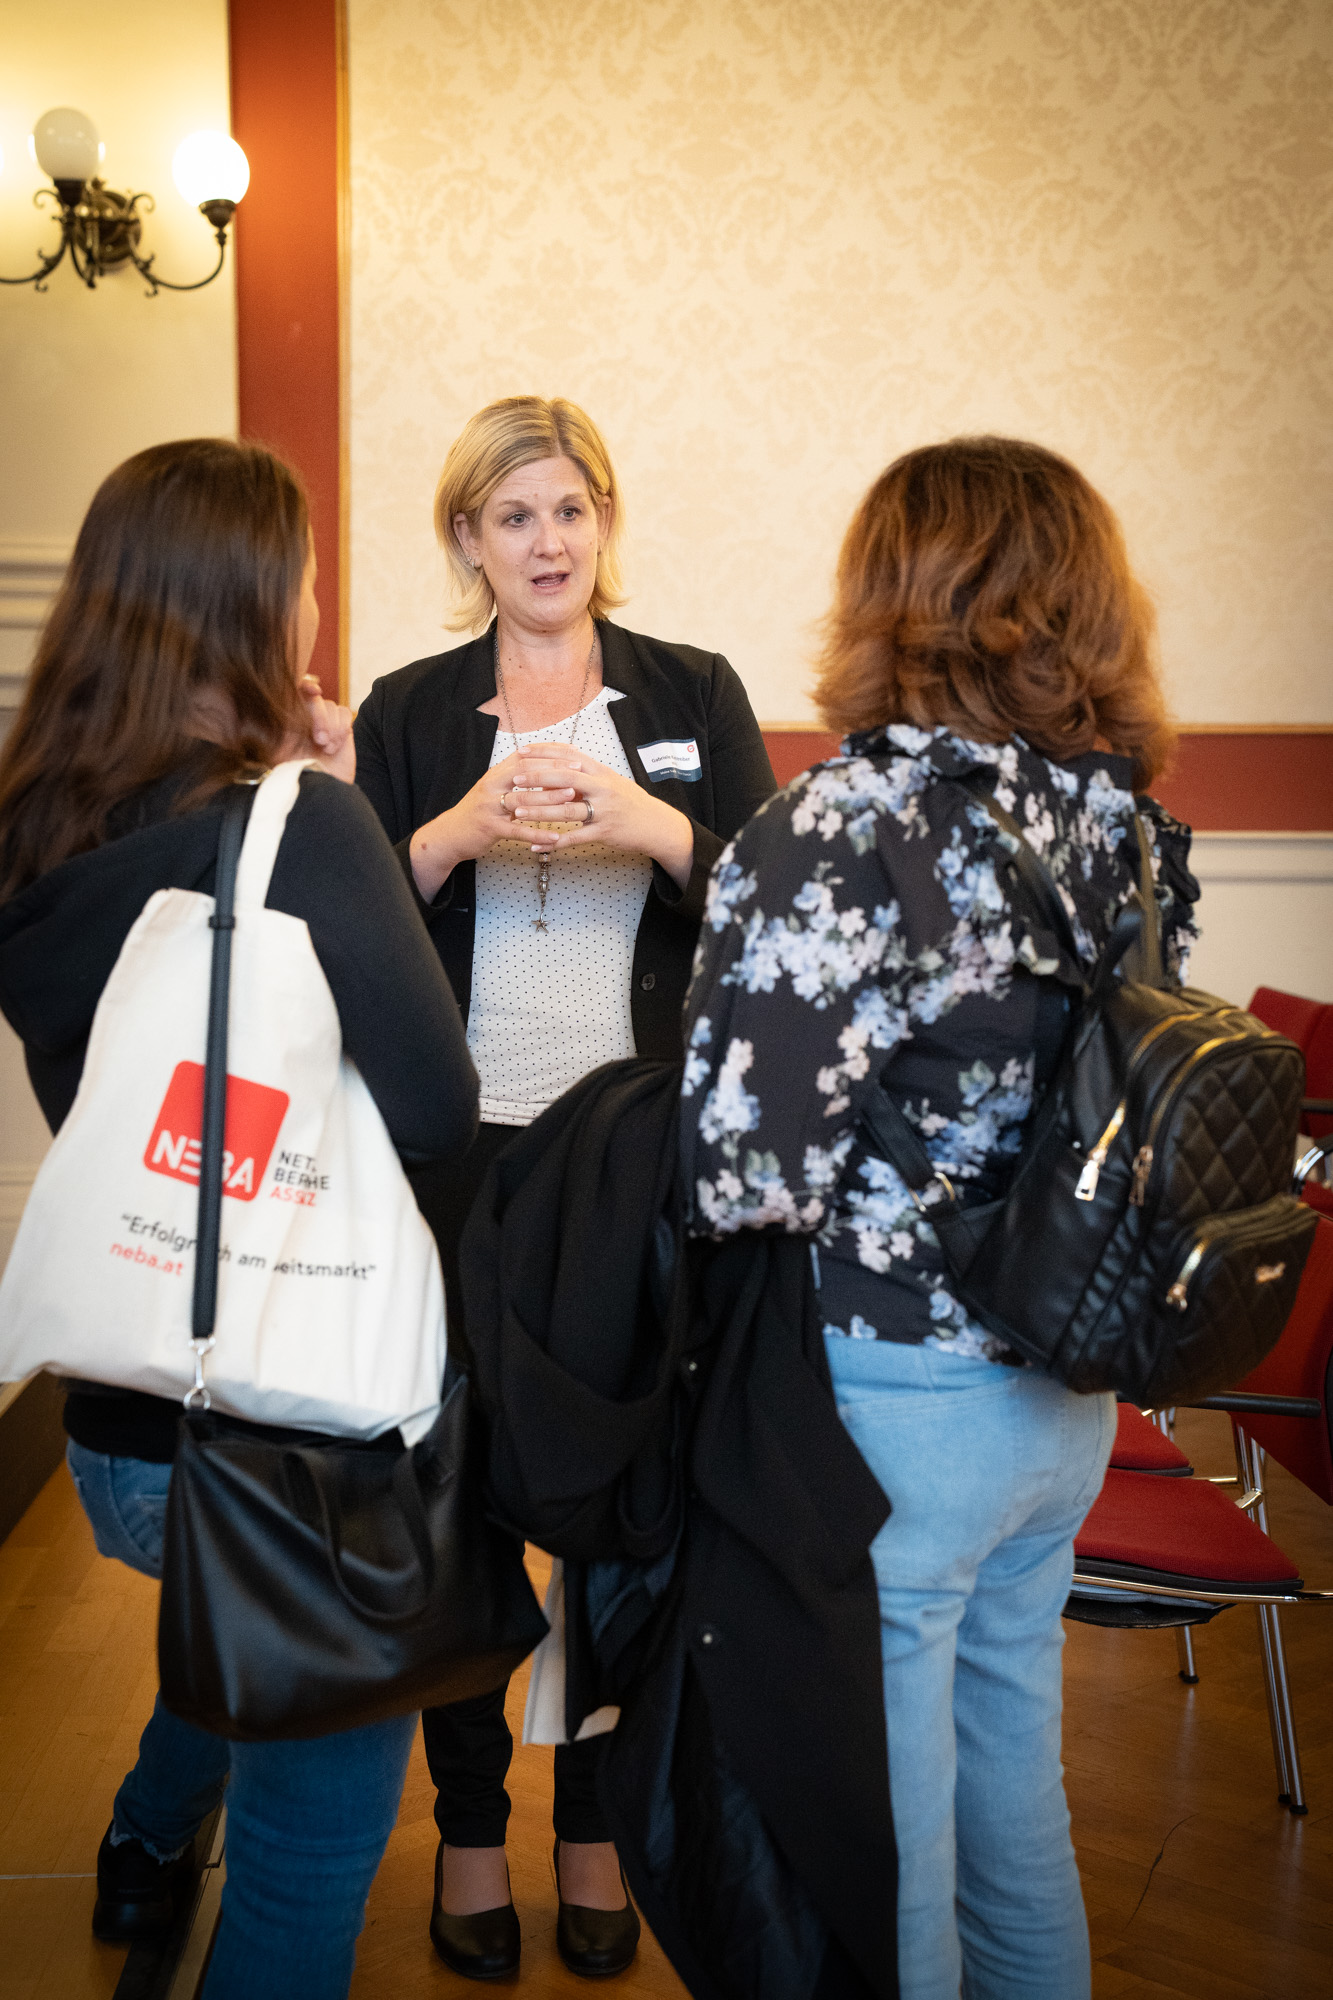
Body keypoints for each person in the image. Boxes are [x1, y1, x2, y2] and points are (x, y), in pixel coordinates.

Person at [678, 436, 1200, 2000]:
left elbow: (741, 1174)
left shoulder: (842, 828)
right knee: (1012, 1808)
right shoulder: (1123, 825)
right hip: (1061, 1387)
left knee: (882, 1846)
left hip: (893, 1399)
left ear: (893, 592)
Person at [0, 439, 480, 2000]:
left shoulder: (35, 827)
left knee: (231, 1617)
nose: (317, 604)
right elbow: (435, 1109)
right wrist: (326, 804)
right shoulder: (307, 828)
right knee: (303, 1867)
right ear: (251, 602)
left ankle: (145, 1839)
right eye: (306, 577)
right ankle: (166, 1855)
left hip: (121, 1427)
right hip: (296, 1441)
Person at [353, 393, 776, 1980]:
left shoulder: (690, 692)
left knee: (620, 1505)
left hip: (629, 1162)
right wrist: (445, 834)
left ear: (604, 521)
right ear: (468, 540)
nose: (549, 542)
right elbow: (344, 936)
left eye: (571, 509)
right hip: (453, 1161)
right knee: (458, 1507)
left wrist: (658, 828)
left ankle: (591, 1824)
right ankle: (469, 1833)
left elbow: (776, 923)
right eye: (515, 516)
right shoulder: (410, 710)